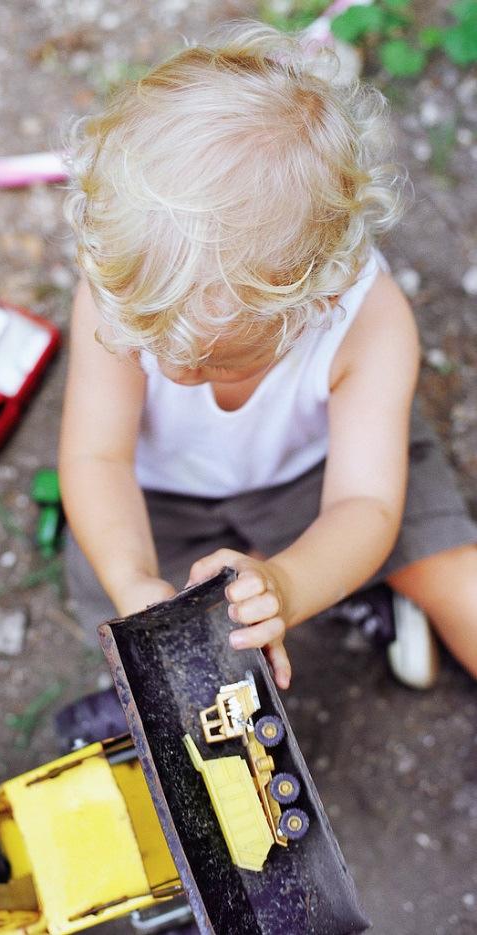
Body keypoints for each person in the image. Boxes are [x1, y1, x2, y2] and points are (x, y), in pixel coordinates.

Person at [58, 22, 477, 691]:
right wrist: (134, 577)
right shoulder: (119, 290)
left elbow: (365, 498)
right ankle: (331, 583)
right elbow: (96, 456)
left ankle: (327, 575)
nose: (170, 373)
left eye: (214, 361)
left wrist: (286, 583)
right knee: (144, 612)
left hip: (318, 471)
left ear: (317, 302)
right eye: (147, 347)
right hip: (164, 491)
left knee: (447, 570)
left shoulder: (368, 324)